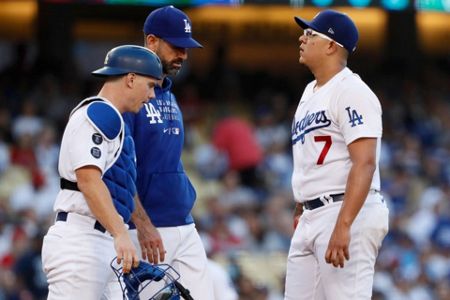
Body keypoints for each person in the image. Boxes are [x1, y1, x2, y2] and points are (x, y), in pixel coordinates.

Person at [105, 5, 214, 299]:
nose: (184, 55)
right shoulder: (127, 94)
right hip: (148, 230)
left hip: (182, 221)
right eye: (177, 46)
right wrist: (141, 223)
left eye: (187, 47)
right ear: (152, 41)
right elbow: (116, 166)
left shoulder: (166, 91)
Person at [41, 45, 163, 299]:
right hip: (81, 241)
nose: (152, 95)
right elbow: (88, 179)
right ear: (131, 79)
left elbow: (118, 187)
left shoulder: (116, 120)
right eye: (150, 85)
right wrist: (120, 233)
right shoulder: (99, 113)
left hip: (103, 242)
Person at [285, 10, 389, 300]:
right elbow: (311, 155)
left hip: (346, 210)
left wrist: (344, 226)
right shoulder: (310, 91)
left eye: (310, 34)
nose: (301, 38)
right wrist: (301, 206)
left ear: (331, 45)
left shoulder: (353, 90)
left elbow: (365, 163)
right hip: (312, 214)